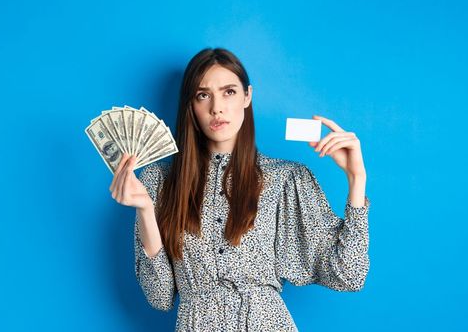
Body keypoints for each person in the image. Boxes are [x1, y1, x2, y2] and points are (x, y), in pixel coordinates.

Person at [109, 47, 370, 331]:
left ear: (247, 96)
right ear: (191, 106)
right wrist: (145, 210)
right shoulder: (158, 182)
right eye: (203, 95)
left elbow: (349, 274)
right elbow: (159, 297)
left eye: (229, 92)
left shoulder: (285, 179)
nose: (217, 108)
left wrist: (356, 180)